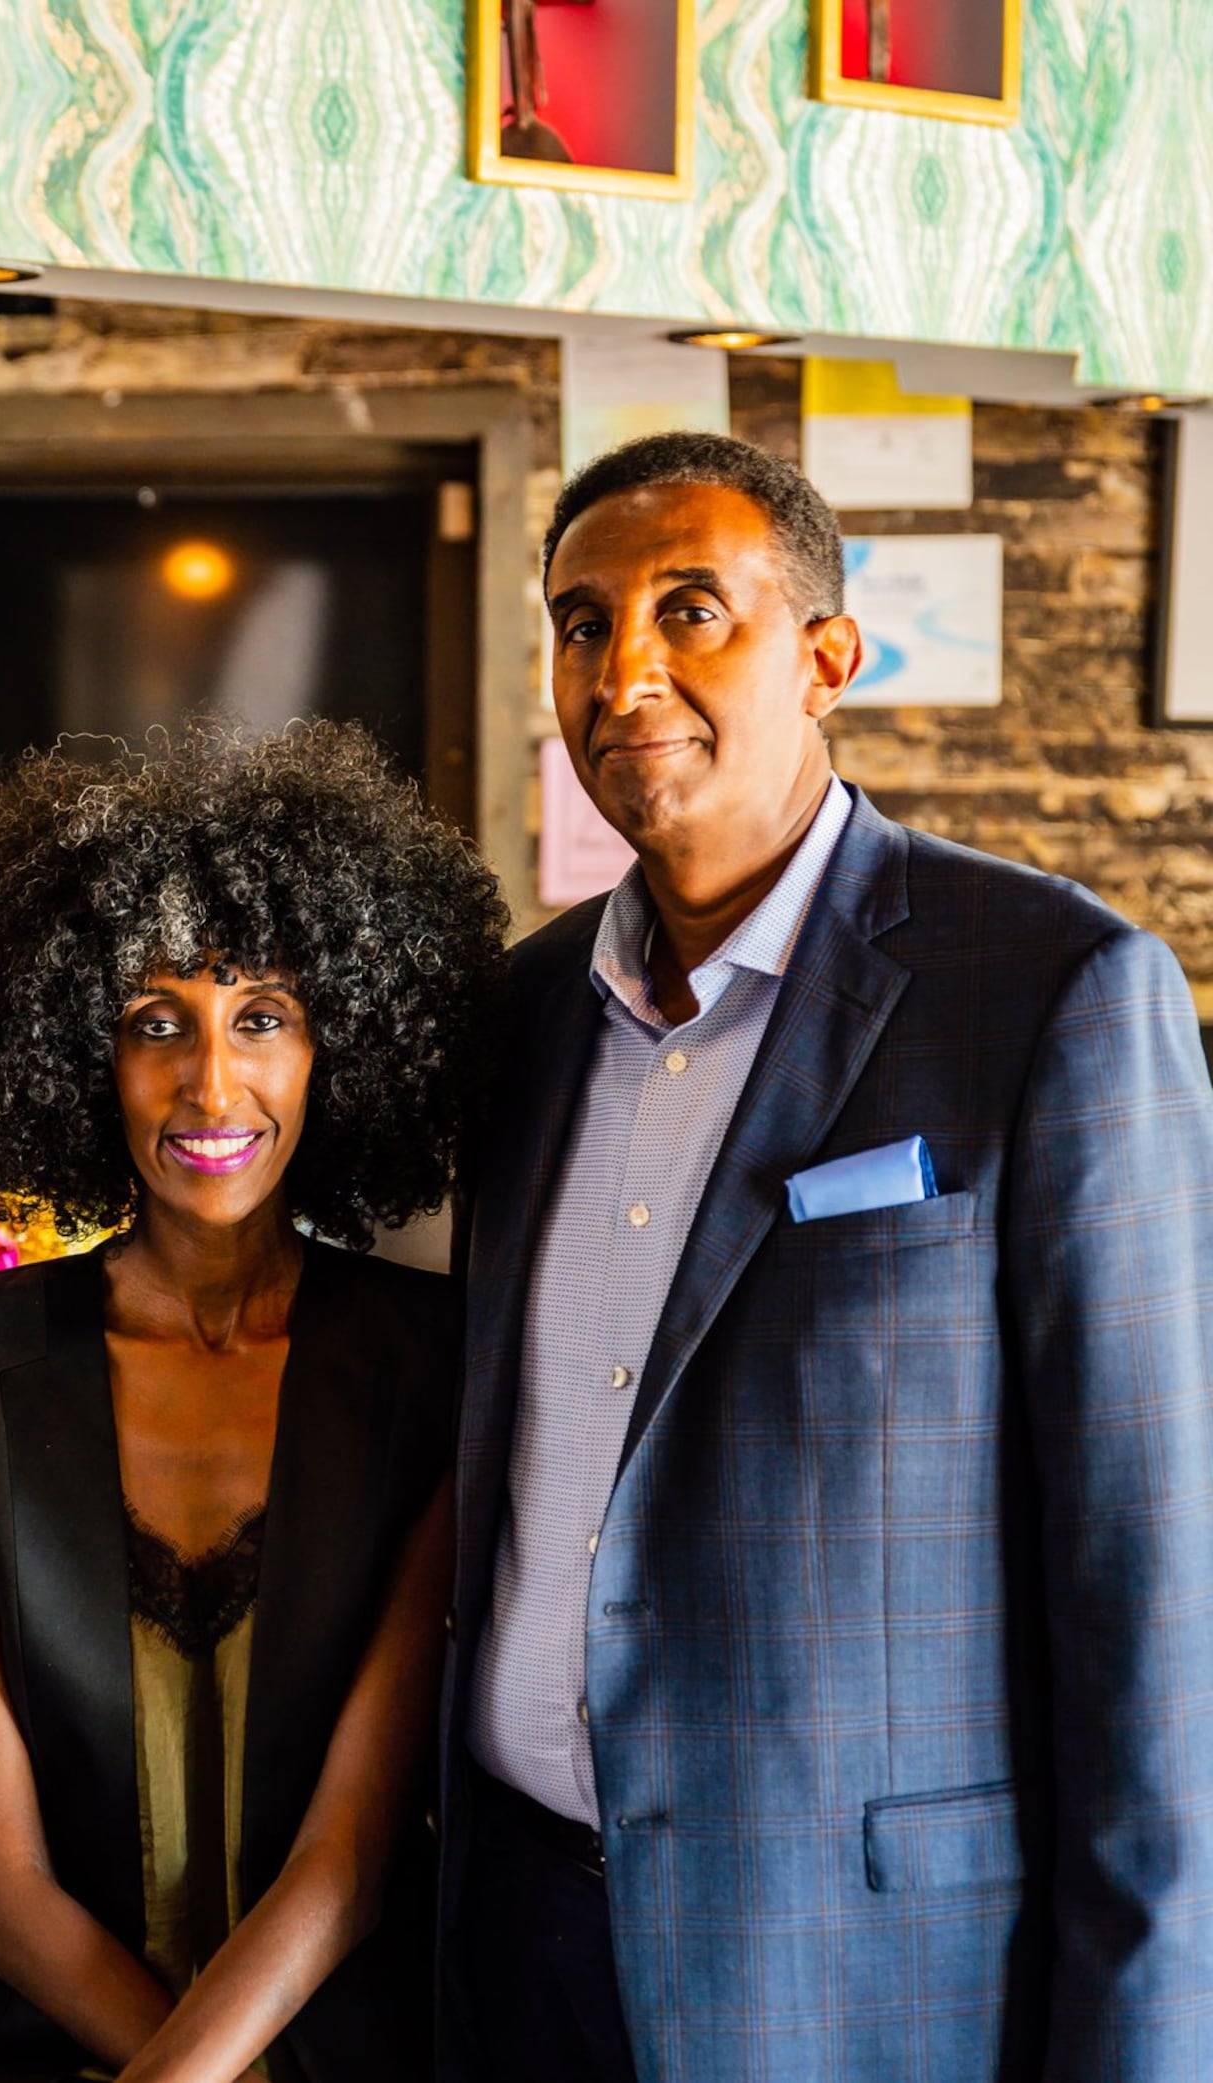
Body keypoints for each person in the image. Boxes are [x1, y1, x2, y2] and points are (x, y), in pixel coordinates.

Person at [439, 430, 1213, 2081]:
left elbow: (1156, 1592)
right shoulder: (517, 1019)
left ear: (827, 656)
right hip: (518, 1943)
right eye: (582, 624)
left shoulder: (1056, 991)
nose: (625, 668)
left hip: (864, 1979)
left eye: (691, 609)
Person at [0, 722, 507, 2083]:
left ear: (343, 1048)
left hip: (329, 2055)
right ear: (76, 1053)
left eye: (263, 1018)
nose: (213, 1084)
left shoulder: (431, 1363)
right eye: (158, 1024)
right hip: (32, 2048)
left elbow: (352, 1856)